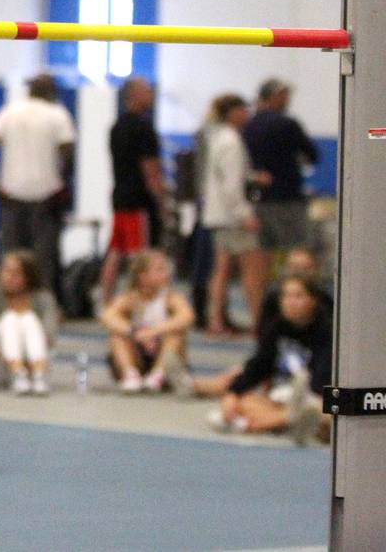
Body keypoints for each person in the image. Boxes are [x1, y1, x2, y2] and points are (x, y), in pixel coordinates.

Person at [210, 274, 331, 443]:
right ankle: (291, 422)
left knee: (326, 413)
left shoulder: (327, 331)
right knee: (244, 400)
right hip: (279, 399)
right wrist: (232, 393)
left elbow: (322, 380)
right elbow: (259, 365)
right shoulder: (276, 327)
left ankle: (270, 423)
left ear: (313, 300)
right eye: (287, 296)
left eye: (298, 296)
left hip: (312, 396)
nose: (291, 302)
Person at [0, 73, 76, 297]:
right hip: (46, 193)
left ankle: (7, 303)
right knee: (44, 258)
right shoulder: (58, 114)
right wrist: (63, 182)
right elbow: (68, 152)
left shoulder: (10, 111)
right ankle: (42, 305)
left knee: (10, 255)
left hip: (11, 192)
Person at [202, 93, 268, 334]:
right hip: (232, 217)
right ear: (232, 113)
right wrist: (245, 215)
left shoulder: (219, 137)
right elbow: (231, 185)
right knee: (251, 270)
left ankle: (215, 321)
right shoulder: (231, 142)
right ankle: (258, 323)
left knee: (221, 270)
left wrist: (252, 177)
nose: (247, 114)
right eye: (243, 110)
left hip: (220, 215)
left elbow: (228, 177)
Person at [100, 77, 164, 303]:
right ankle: (142, 303)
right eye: (147, 90)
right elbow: (150, 169)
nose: (152, 94)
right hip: (138, 201)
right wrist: (160, 199)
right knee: (141, 256)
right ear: (134, 95)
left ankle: (105, 301)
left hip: (120, 197)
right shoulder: (143, 127)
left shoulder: (117, 126)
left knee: (116, 252)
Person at [242, 79, 319, 256]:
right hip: (287, 198)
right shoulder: (287, 124)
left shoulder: (248, 125)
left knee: (264, 253)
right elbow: (312, 155)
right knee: (295, 248)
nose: (287, 101)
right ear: (273, 97)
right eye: (284, 96)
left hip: (258, 199)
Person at [99, 249, 194, 394]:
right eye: (159, 269)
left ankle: (158, 375)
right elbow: (107, 316)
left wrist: (153, 332)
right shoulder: (131, 298)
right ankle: (130, 374)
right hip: (139, 355)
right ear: (143, 276)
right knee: (117, 336)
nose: (166, 273)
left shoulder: (170, 297)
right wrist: (135, 332)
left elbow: (186, 316)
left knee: (176, 335)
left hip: (161, 352)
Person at [0, 250, 60, 396]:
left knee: (28, 319)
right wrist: (11, 359)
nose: (8, 277)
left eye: (15, 273)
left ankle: (38, 375)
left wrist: (30, 360)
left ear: (28, 276)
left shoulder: (44, 298)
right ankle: (18, 373)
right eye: (5, 271)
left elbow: (50, 335)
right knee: (10, 319)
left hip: (36, 360)